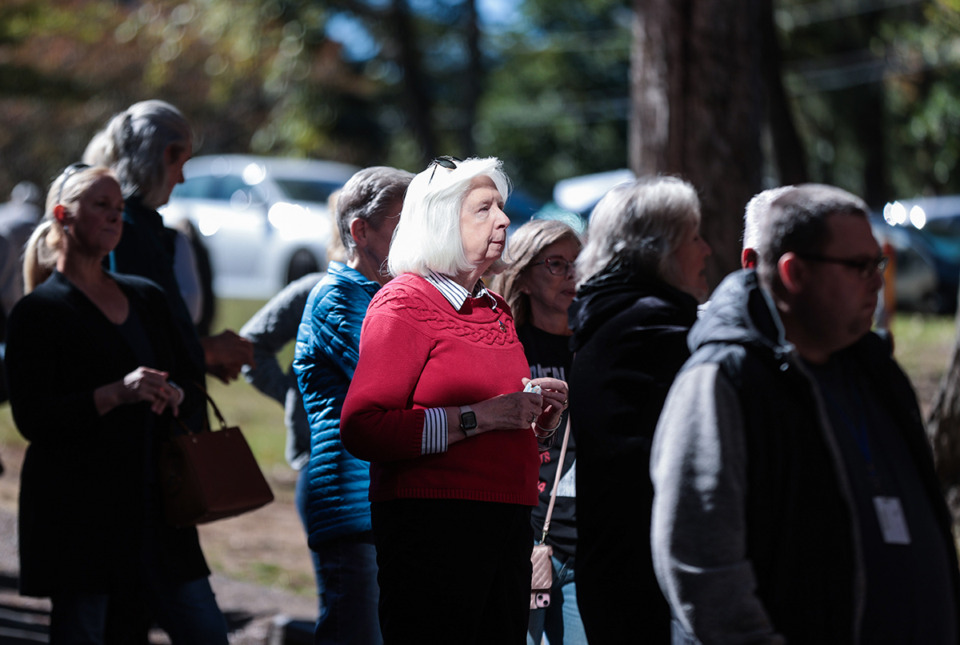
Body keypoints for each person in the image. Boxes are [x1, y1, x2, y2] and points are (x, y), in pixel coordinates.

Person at [650, 184, 960, 643]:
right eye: (859, 266)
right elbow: (700, 560)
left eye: (879, 263)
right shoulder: (724, 380)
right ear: (793, 273)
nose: (877, 280)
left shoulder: (876, 370)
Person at [339, 156, 568, 645]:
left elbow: (496, 419)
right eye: (484, 209)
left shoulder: (494, 307)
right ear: (441, 220)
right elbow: (364, 426)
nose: (504, 220)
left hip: (507, 524)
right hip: (435, 529)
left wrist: (535, 420)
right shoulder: (405, 302)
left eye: (502, 208)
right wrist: (479, 418)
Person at [6, 164, 228, 644]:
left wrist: (175, 393)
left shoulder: (145, 296)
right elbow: (33, 419)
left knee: (205, 630)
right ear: (64, 216)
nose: (113, 217)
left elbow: (189, 376)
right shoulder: (38, 313)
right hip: (80, 513)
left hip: (157, 507)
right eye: (101, 206)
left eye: (119, 209)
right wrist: (114, 394)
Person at [566, 175, 711, 644]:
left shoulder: (609, 314)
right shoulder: (652, 327)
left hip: (617, 572)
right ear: (661, 249)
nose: (706, 250)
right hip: (651, 583)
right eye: (694, 236)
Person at [83, 99, 253, 388]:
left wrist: (200, 359)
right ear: (168, 153)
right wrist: (206, 350)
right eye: (182, 163)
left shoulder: (138, 226)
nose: (183, 179)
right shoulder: (126, 231)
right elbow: (134, 342)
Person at [490, 219, 586, 645]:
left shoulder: (597, 343)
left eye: (578, 263)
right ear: (524, 277)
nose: (572, 274)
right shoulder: (506, 346)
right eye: (556, 264)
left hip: (586, 539)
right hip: (520, 533)